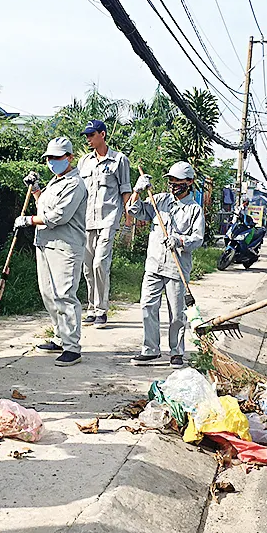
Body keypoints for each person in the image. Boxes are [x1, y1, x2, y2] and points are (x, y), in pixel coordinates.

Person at [127, 162, 205, 367]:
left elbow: (198, 239)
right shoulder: (159, 200)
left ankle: (176, 352)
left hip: (176, 268)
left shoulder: (194, 210)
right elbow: (134, 210)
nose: (173, 184)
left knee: (177, 313)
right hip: (154, 265)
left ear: (189, 182)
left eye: (178, 181)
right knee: (147, 306)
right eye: (171, 180)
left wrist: (180, 240)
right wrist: (137, 191)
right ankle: (150, 350)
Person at [20, 137, 88, 366]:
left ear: (70, 157)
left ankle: (72, 347)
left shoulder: (75, 184)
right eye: (49, 157)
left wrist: (29, 220)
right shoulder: (55, 182)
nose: (52, 161)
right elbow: (44, 207)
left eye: (57, 157)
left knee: (64, 295)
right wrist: (36, 189)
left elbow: (60, 216)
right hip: (45, 243)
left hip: (65, 247)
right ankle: (60, 338)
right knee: (48, 294)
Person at [77, 119, 131, 328]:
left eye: (92, 135)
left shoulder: (119, 160)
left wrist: (128, 220)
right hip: (86, 221)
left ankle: (101, 310)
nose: (88, 139)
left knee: (100, 263)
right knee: (88, 266)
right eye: (87, 136)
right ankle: (91, 308)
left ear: (103, 134)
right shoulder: (84, 161)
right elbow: (78, 191)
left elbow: (125, 190)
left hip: (108, 218)